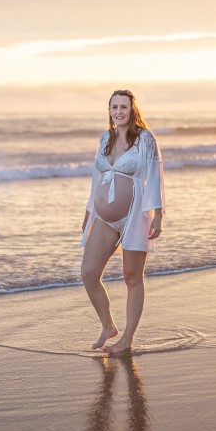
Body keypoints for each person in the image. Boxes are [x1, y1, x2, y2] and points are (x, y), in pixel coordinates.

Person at [81, 89, 165, 356]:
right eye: (114, 107)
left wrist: (158, 213)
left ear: (132, 110)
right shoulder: (105, 138)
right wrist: (87, 214)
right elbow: (96, 180)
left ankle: (127, 338)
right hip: (103, 218)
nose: (119, 111)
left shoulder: (145, 139)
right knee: (89, 273)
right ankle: (108, 326)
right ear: (109, 110)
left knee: (132, 277)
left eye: (124, 107)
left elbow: (154, 175)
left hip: (134, 215)